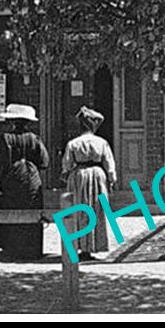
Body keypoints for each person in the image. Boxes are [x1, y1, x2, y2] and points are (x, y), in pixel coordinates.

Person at [0, 103, 50, 259]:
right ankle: (32, 249)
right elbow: (44, 162)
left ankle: (12, 247)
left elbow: (0, 162)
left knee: (10, 208)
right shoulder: (35, 139)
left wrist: (1, 181)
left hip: (12, 178)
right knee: (32, 210)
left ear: (12, 122)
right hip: (32, 179)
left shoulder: (6, 138)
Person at [61, 105, 118, 260]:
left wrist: (66, 177)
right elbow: (109, 164)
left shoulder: (73, 143)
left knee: (80, 210)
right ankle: (93, 245)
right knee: (96, 209)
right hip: (97, 176)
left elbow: (66, 164)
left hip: (79, 176)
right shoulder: (101, 142)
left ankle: (81, 247)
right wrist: (112, 180)